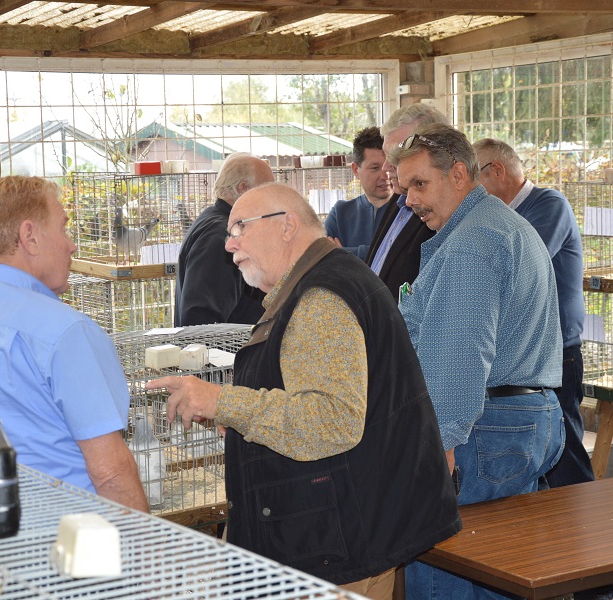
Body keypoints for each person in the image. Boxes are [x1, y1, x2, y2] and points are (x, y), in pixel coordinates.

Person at [146, 182, 460, 600]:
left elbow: (331, 421)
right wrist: (238, 418)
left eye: (239, 228)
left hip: (334, 546)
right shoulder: (321, 282)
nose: (229, 244)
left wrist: (221, 400)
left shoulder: (320, 298)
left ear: (287, 225)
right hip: (342, 534)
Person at [390, 124, 565, 600]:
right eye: (405, 189)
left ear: (458, 174)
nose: (409, 200)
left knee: (447, 568)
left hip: (482, 430)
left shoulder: (470, 243)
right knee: (501, 568)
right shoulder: (499, 224)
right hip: (520, 417)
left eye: (419, 184)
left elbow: (461, 355)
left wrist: (440, 447)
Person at [0, 175, 148, 512]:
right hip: (66, 534)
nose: (71, 245)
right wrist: (148, 544)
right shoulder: (67, 332)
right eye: (63, 228)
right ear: (30, 236)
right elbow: (111, 474)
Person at [474, 139, 613, 600]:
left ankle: (596, 585)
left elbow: (509, 263)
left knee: (567, 462)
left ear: (496, 171)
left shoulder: (547, 205)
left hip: (557, 357)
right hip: (527, 359)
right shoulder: (504, 215)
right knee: (541, 468)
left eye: (473, 177)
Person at [174, 152, 275, 326]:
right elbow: (201, 320)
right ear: (243, 188)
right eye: (268, 189)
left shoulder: (216, 221)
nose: (273, 198)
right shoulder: (221, 237)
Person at [364, 104, 448, 298]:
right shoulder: (398, 197)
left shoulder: (441, 213)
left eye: (396, 156)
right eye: (386, 155)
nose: (386, 167)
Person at [324, 126, 392, 259]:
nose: (386, 175)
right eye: (375, 168)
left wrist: (343, 254)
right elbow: (322, 256)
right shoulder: (340, 213)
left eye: (390, 166)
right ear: (356, 170)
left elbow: (400, 257)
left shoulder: (409, 211)